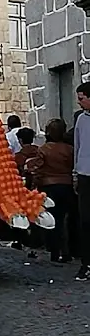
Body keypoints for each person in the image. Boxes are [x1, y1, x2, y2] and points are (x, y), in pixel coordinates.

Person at [26, 118, 74, 264]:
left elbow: (39, 170)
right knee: (64, 220)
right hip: (66, 185)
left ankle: (54, 251)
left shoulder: (44, 149)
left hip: (49, 187)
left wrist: (35, 184)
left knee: (52, 221)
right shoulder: (69, 149)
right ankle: (66, 251)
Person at [73, 83, 90, 281]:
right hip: (85, 175)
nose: (79, 102)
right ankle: (86, 263)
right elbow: (77, 146)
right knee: (86, 221)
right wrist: (75, 174)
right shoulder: (80, 120)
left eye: (82, 98)